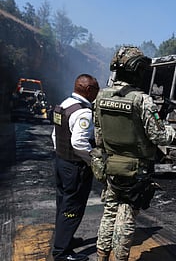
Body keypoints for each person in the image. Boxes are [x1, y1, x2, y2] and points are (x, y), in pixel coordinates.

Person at [94, 46, 175, 261]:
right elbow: (161, 137)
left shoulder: (100, 97)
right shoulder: (142, 100)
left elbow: (99, 137)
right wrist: (169, 128)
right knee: (126, 215)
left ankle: (101, 256)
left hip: (110, 166)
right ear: (137, 71)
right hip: (136, 170)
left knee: (110, 211)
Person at [51, 74, 100, 261]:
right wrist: (92, 160)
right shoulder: (84, 112)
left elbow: (55, 136)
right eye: (96, 90)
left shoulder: (63, 105)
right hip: (74, 167)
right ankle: (61, 253)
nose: (97, 94)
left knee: (63, 204)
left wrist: (61, 154)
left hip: (61, 162)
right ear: (88, 90)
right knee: (72, 208)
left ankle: (65, 240)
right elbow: (79, 143)